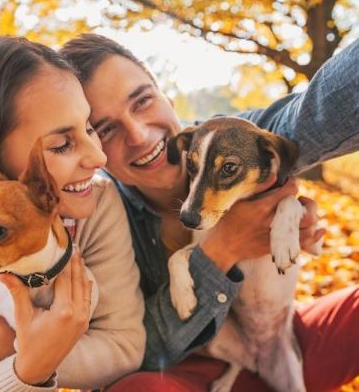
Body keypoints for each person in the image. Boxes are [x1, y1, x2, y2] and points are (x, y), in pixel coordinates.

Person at [61, 34, 359, 391]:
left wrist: (296, 221)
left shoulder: (232, 138)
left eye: (142, 100)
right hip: (197, 370)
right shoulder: (99, 214)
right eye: (105, 128)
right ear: (88, 142)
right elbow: (134, 349)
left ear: (166, 96)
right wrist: (222, 250)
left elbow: (317, 111)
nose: (139, 136)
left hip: (285, 341)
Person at [0, 36, 145, 391]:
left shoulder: (96, 204)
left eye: (89, 127)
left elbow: (124, 346)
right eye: (61, 144)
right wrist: (26, 367)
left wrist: (23, 355)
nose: (99, 158)